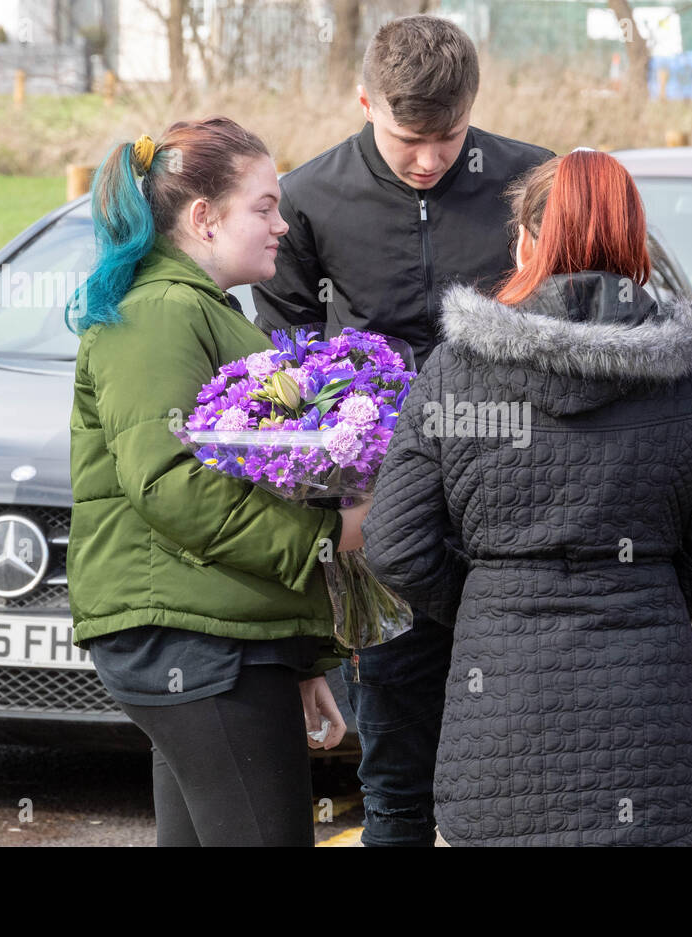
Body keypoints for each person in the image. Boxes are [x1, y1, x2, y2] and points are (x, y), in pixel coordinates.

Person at [359, 150, 692, 846]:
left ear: (525, 240)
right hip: (648, 708)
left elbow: (393, 541)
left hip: (503, 713)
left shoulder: (460, 366)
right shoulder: (689, 370)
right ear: (637, 243)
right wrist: (647, 592)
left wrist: (488, 597)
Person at [251, 14, 554, 847]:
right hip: (388, 530)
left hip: (517, 523)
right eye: (406, 138)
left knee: (527, 774)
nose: (427, 159)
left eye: (447, 138)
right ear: (362, 101)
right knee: (395, 777)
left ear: (474, 108)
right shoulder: (306, 200)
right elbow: (290, 374)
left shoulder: (533, 184)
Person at [67, 117, 368, 846]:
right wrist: (331, 537)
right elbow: (168, 482)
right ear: (203, 218)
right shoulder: (160, 313)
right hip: (193, 641)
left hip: (219, 638)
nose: (283, 226)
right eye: (263, 207)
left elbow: (245, 479)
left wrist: (300, 659)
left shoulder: (203, 311)